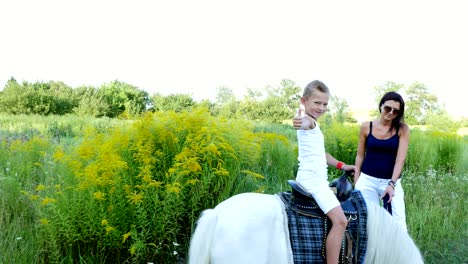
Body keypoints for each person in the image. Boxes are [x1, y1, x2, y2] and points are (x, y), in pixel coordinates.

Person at [292, 80, 355, 264]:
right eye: (317, 103)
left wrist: (342, 166)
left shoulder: (315, 124)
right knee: (341, 221)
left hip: (311, 178)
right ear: (304, 101)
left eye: (325, 104)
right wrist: (298, 121)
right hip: (313, 182)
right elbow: (303, 123)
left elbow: (322, 154)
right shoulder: (308, 121)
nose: (321, 107)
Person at [354, 91, 410, 231]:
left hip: (390, 182)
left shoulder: (402, 129)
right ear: (381, 106)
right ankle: (372, 252)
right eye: (387, 108)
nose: (390, 112)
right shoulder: (366, 126)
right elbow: (360, 155)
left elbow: (400, 159)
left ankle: (399, 252)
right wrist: (357, 181)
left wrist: (392, 184)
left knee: (398, 224)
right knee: (369, 221)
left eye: (396, 111)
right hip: (367, 181)